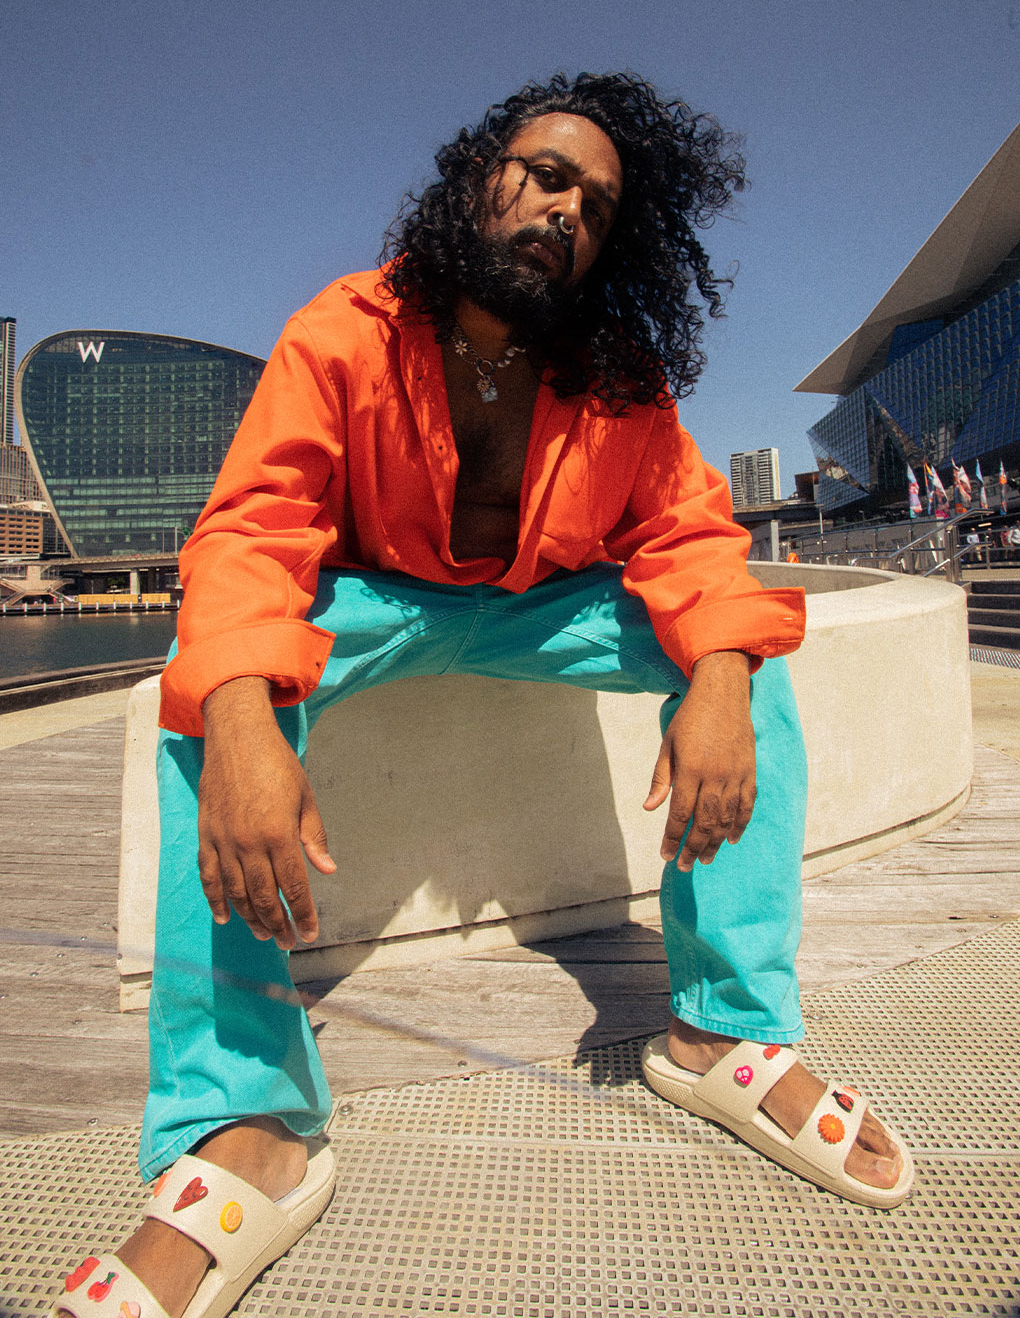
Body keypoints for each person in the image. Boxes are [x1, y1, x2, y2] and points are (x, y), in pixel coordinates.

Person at [54, 73, 911, 1318]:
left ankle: (725, 1030)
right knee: (216, 696)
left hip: (540, 611)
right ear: (479, 179)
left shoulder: (620, 372)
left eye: (600, 208)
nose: (568, 211)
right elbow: (251, 533)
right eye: (546, 175)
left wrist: (717, 672)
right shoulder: (342, 328)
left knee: (743, 657)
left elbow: (690, 532)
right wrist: (242, 714)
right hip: (375, 601)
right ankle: (245, 1116)